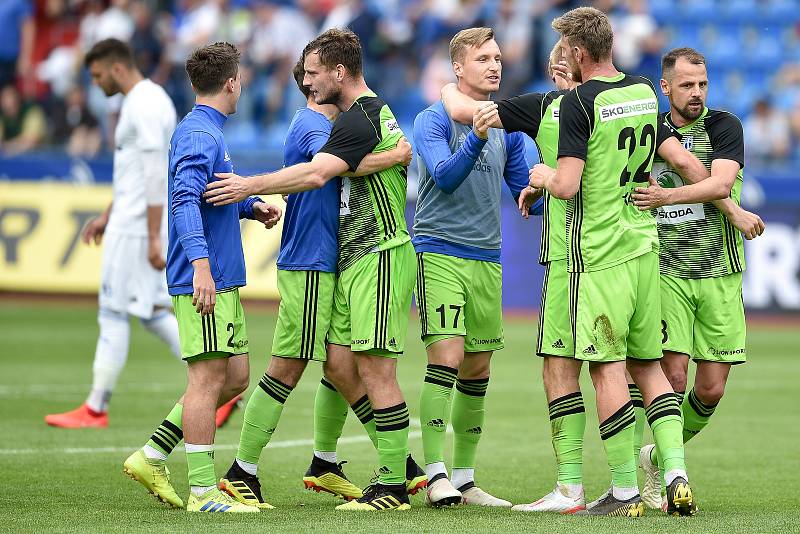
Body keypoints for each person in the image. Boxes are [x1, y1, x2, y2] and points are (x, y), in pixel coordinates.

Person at [205, 28, 418, 512]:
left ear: (339, 73)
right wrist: (395, 154)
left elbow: (323, 170)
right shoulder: (334, 121)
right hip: (334, 258)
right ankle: (314, 467)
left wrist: (249, 185)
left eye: (315, 72)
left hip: (372, 255)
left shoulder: (357, 118)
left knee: (364, 368)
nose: (307, 80)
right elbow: (335, 167)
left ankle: (386, 478)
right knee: (326, 365)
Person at [529, 7, 694, 516]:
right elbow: (681, 161)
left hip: (597, 255)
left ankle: (623, 491)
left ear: (578, 54)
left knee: (606, 369)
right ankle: (675, 474)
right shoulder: (644, 90)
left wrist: (539, 176)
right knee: (650, 367)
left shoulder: (580, 103)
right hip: (644, 248)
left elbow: (567, 184)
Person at [122, 41, 283, 513]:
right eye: (242, 79)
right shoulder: (198, 135)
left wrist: (250, 206)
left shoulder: (209, 131)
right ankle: (202, 491)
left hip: (223, 274)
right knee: (208, 378)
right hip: (205, 275)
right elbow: (183, 201)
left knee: (233, 377)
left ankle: (152, 454)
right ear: (232, 83)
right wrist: (200, 268)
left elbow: (210, 192)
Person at [44, 39, 225, 430]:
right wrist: (108, 214)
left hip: (137, 226)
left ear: (117, 68)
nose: (95, 83)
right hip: (131, 219)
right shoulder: (150, 100)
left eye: (97, 75)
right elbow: (133, 173)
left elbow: (152, 172)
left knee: (112, 311)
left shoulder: (141, 105)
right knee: (152, 310)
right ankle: (221, 386)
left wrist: (153, 234)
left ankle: (95, 407)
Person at [632, 47, 765, 511]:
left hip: (720, 273)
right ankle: (675, 470)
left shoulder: (725, 126)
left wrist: (668, 197)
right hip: (667, 272)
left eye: (702, 84)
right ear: (665, 87)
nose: (697, 93)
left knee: (710, 389)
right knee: (672, 372)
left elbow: (719, 184)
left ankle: (656, 453)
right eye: (687, 85)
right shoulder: (648, 129)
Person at [412, 27, 540, 508]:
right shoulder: (431, 120)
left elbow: (525, 191)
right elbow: (443, 177)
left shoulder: (506, 129)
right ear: (458, 68)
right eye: (483, 58)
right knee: (445, 358)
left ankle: (464, 478)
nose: (495, 65)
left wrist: (542, 188)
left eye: (498, 58)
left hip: (487, 257)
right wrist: (475, 138)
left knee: (478, 367)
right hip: (439, 250)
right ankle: (435, 473)